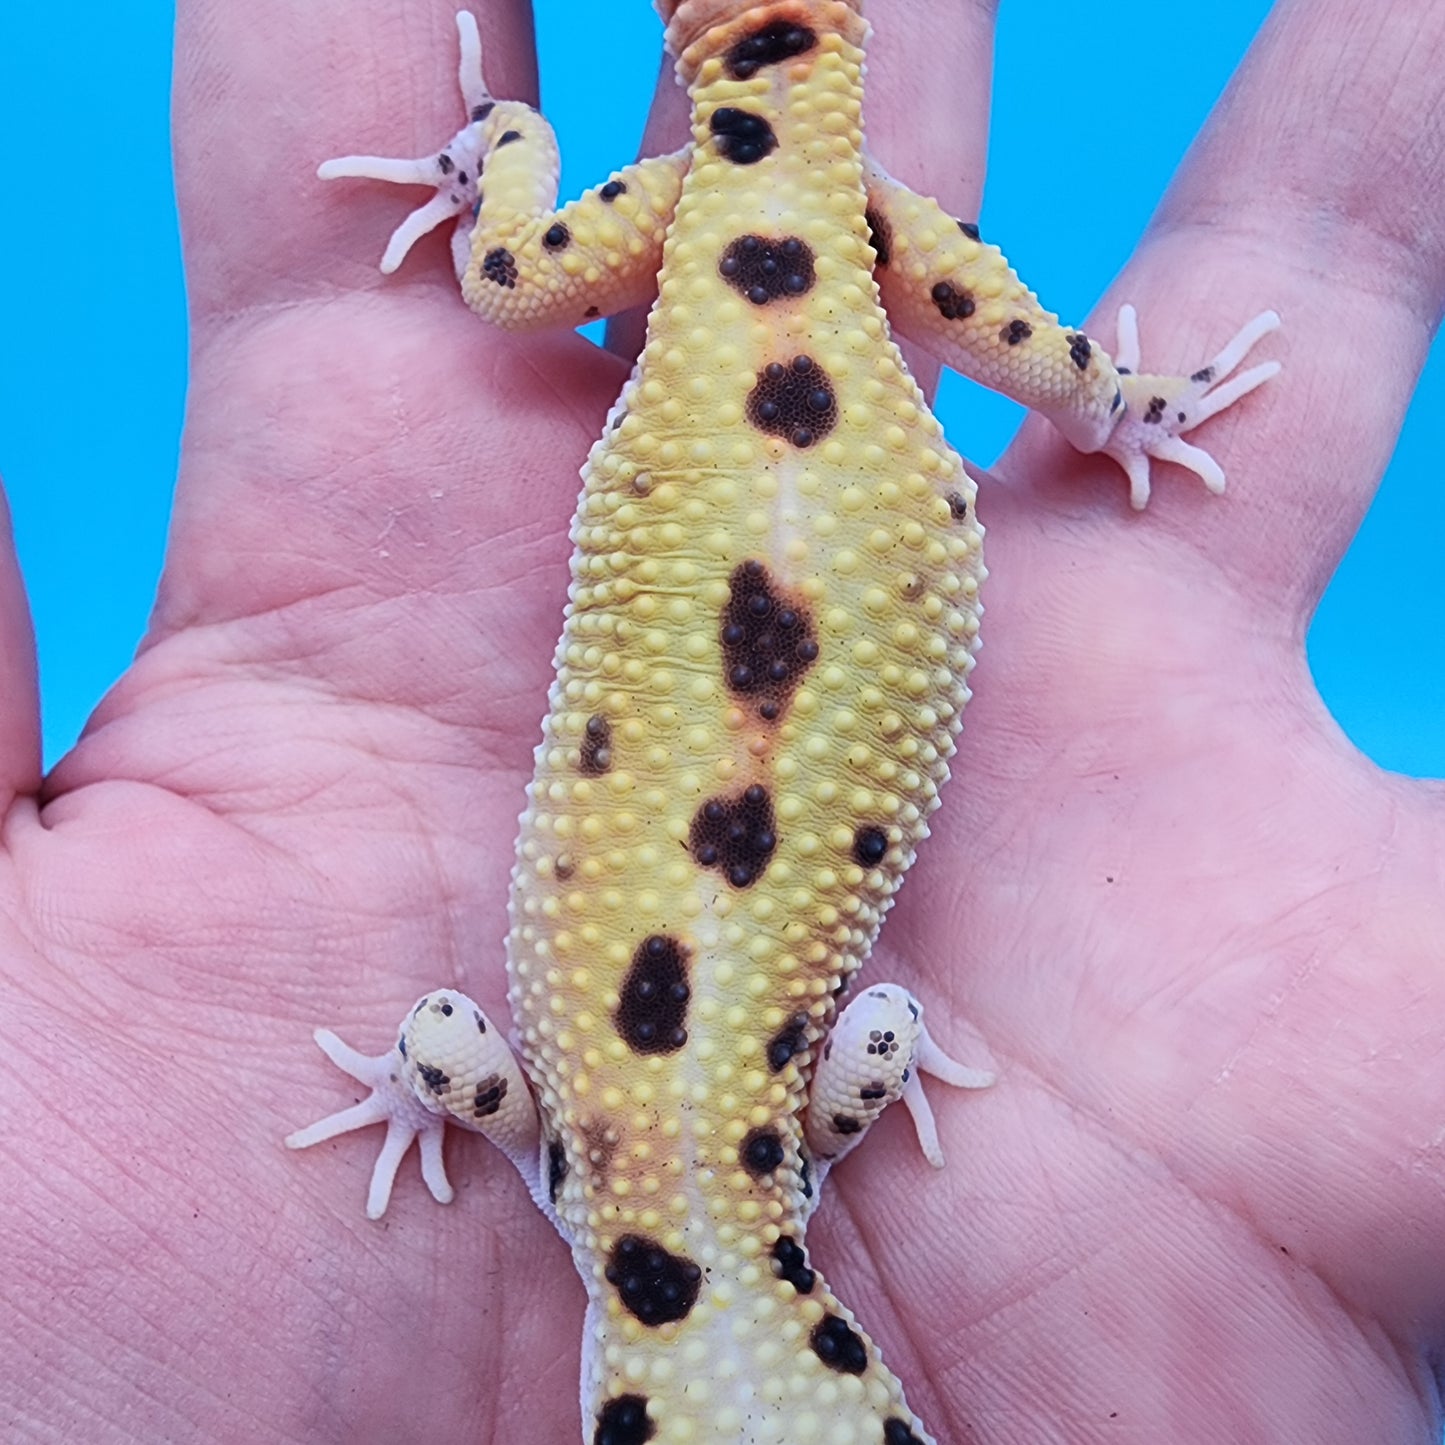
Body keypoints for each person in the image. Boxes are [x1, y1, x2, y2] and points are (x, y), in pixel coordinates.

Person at [3, 1, 1443, 1440]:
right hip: (802, 357)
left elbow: (876, 1025)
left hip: (818, 422)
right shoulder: (554, 1138)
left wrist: (1101, 406)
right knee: (508, 284)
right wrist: (408, 1093)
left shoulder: (801, 1139)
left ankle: (517, 156)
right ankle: (495, 159)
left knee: (517, 288)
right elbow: (443, 1038)